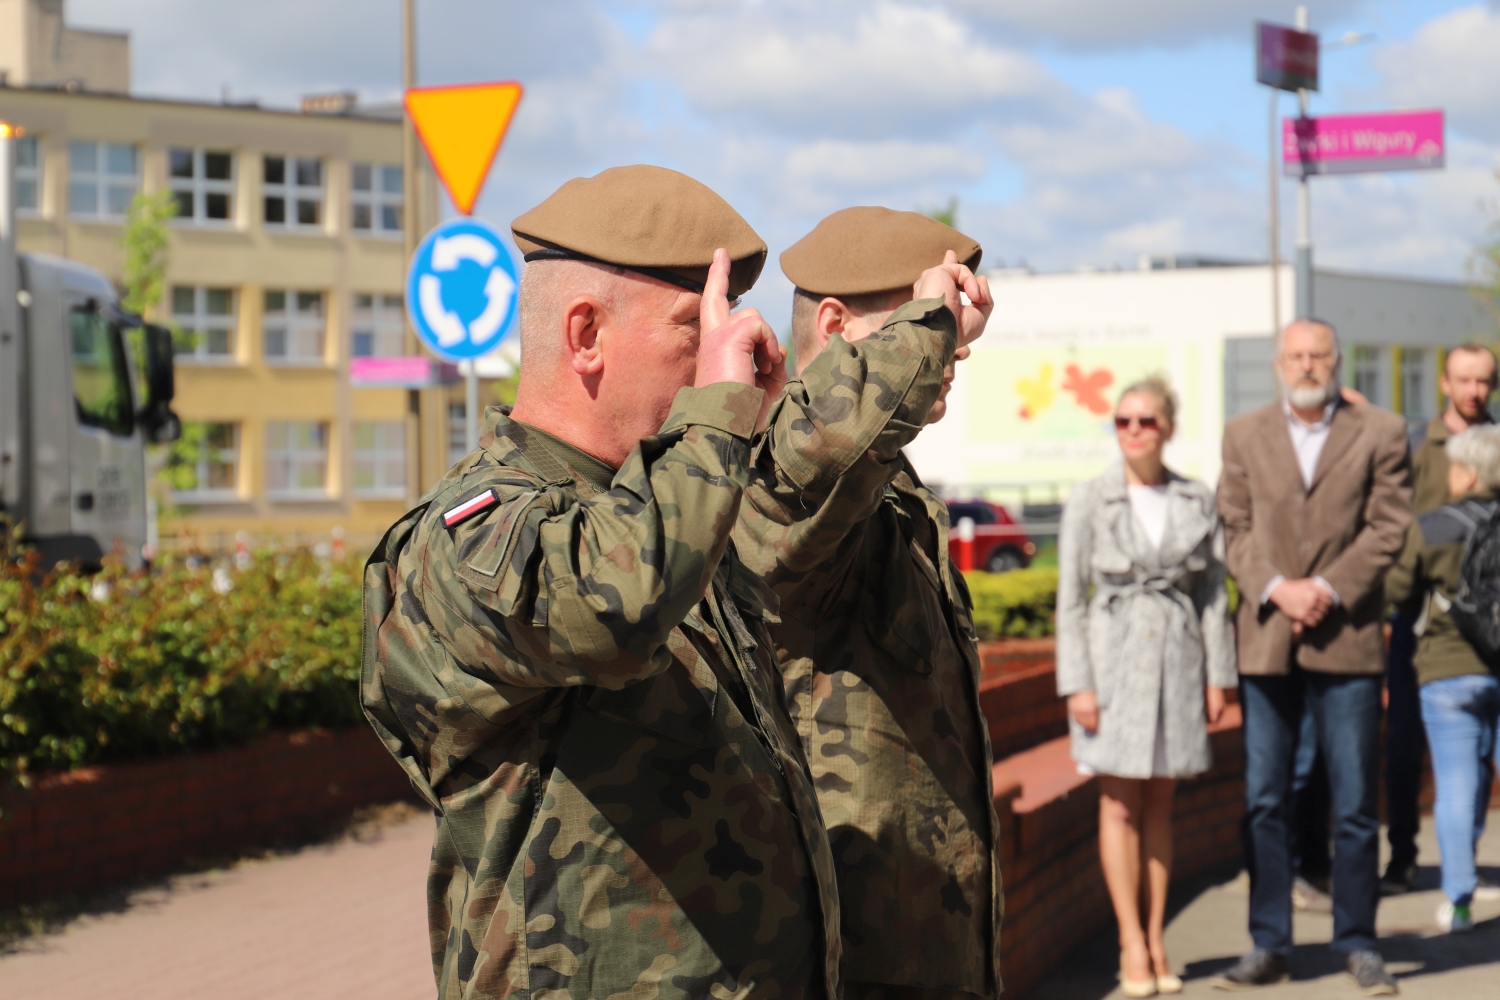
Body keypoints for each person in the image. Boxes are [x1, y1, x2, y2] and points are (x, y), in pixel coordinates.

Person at [361, 166, 843, 1000]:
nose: (718, 366)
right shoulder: (470, 531)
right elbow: (608, 607)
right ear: (585, 335)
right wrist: (718, 419)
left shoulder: (667, 504)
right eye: (696, 331)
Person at [733, 207, 1002, 1000]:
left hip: (924, 940)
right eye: (917, 318)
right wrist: (927, 334)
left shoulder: (885, 479)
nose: (942, 344)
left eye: (945, 323)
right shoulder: (776, 462)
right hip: (849, 951)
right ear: (834, 324)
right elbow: (815, 452)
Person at [1213, 318, 1412, 995]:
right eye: (1295, 355)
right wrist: (1279, 589)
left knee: (1355, 804)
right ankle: (1269, 943)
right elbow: (1234, 528)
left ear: (1337, 361)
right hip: (1267, 640)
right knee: (1266, 799)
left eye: (1318, 355)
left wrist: (1324, 590)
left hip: (1347, 638)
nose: (1306, 365)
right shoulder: (1243, 434)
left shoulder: (1380, 432)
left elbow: (1389, 526)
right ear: (1278, 363)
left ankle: (1357, 941)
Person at [1057, 376, 1236, 998]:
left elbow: (1214, 592)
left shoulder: (1195, 498)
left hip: (1180, 664)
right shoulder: (1091, 498)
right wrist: (1076, 683)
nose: (1133, 431)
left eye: (1146, 421)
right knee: (1118, 804)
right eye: (1123, 421)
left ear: (1167, 427)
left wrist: (1220, 675)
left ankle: (1157, 936)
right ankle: (1130, 941)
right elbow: (1069, 600)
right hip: (1112, 667)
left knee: (1162, 805)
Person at [1380, 344, 1499, 897]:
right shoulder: (1415, 448)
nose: (1475, 391)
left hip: (1491, 630)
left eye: (1485, 381)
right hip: (1427, 624)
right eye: (1465, 380)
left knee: (1470, 761)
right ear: (1445, 384)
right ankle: (1404, 854)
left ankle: (1462, 864)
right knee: (1405, 744)